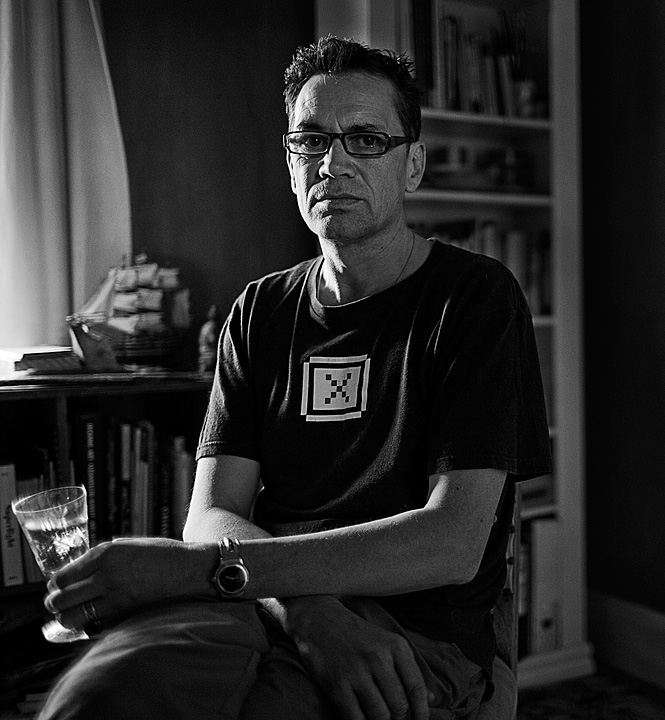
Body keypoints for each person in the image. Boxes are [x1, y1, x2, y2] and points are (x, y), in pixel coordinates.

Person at [37, 36, 551, 720]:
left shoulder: (475, 299)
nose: (333, 162)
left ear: (413, 166)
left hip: (421, 626)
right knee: (100, 696)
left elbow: (451, 543)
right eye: (311, 140)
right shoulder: (259, 310)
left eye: (366, 139)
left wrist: (201, 572)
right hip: (262, 599)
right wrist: (306, 610)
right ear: (289, 162)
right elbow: (213, 514)